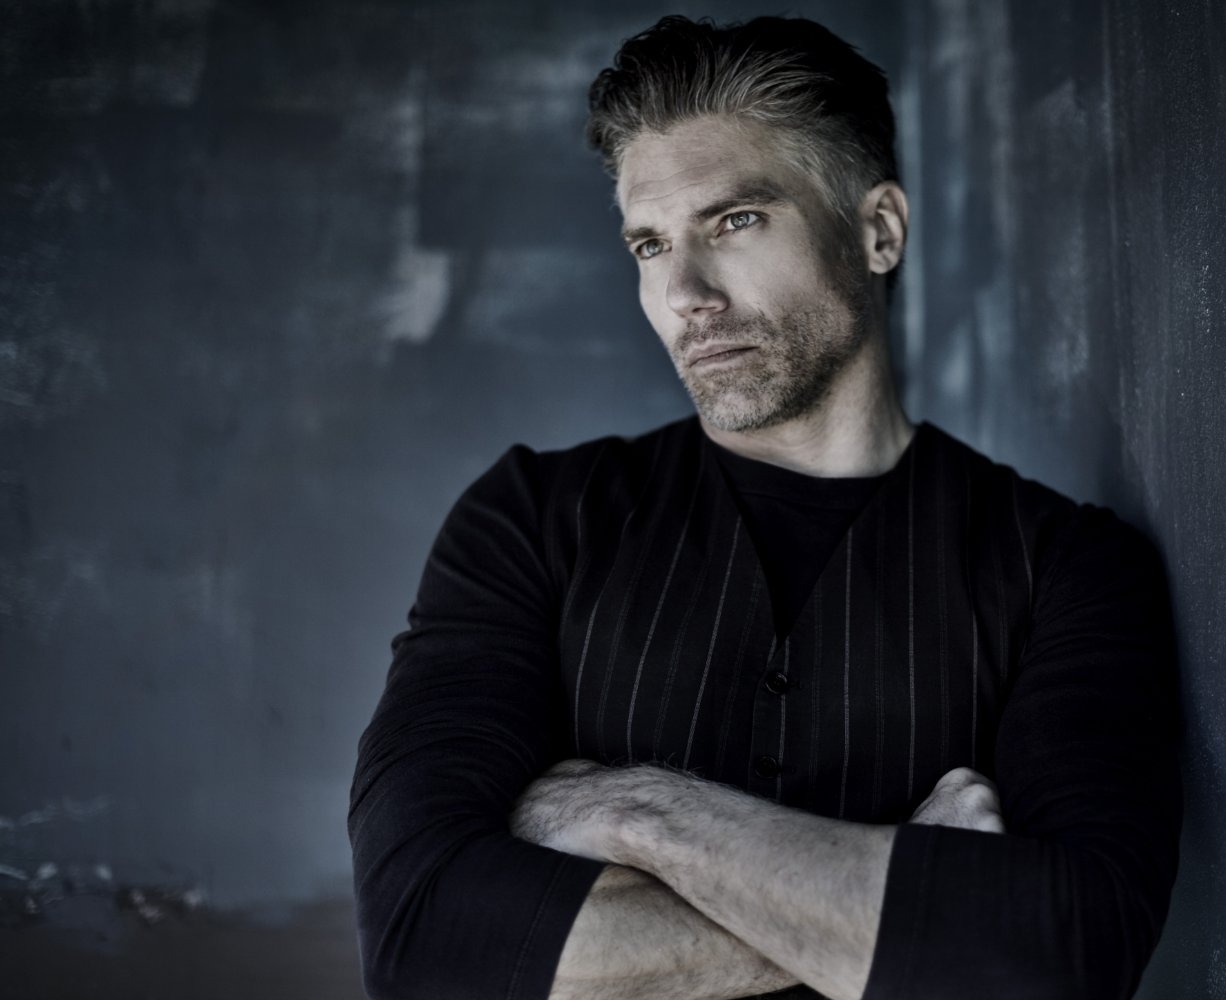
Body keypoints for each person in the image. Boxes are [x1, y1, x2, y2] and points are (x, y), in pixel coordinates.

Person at [348, 14, 1181, 1000]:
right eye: (649, 243)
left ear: (878, 231)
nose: (684, 292)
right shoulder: (533, 518)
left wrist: (636, 812)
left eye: (735, 221)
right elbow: (426, 941)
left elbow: (1066, 954)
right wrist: (912, 876)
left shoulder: (1065, 566)